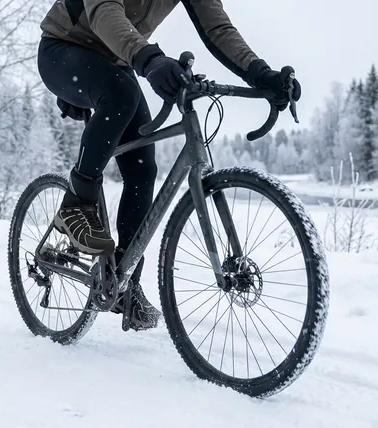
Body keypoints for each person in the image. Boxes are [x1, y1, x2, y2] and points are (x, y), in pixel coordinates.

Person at [37, 0, 301, 331]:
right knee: (122, 94)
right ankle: (76, 204)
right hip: (64, 49)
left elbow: (217, 28)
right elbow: (104, 10)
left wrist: (262, 74)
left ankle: (124, 281)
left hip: (116, 60)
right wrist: (150, 59)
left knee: (143, 168)